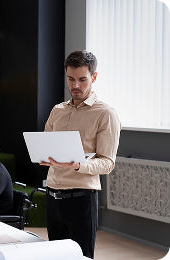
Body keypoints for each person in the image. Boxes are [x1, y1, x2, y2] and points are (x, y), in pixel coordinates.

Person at [39, 50, 121, 259]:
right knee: (56, 256)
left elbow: (107, 163)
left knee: (81, 257)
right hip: (52, 197)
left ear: (94, 77)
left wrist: (77, 165)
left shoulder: (106, 114)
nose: (75, 86)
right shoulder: (57, 110)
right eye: (71, 79)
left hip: (81, 200)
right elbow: (47, 145)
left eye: (82, 79)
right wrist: (42, 155)